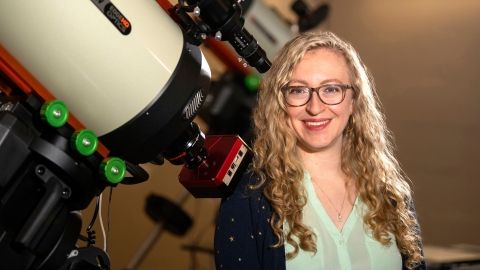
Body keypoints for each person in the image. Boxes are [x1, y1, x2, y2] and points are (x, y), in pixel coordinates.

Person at [214, 30, 427, 270]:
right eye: (298, 90)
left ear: (353, 100)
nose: (315, 107)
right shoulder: (248, 197)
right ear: (280, 102)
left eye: (331, 89)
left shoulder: (391, 194)